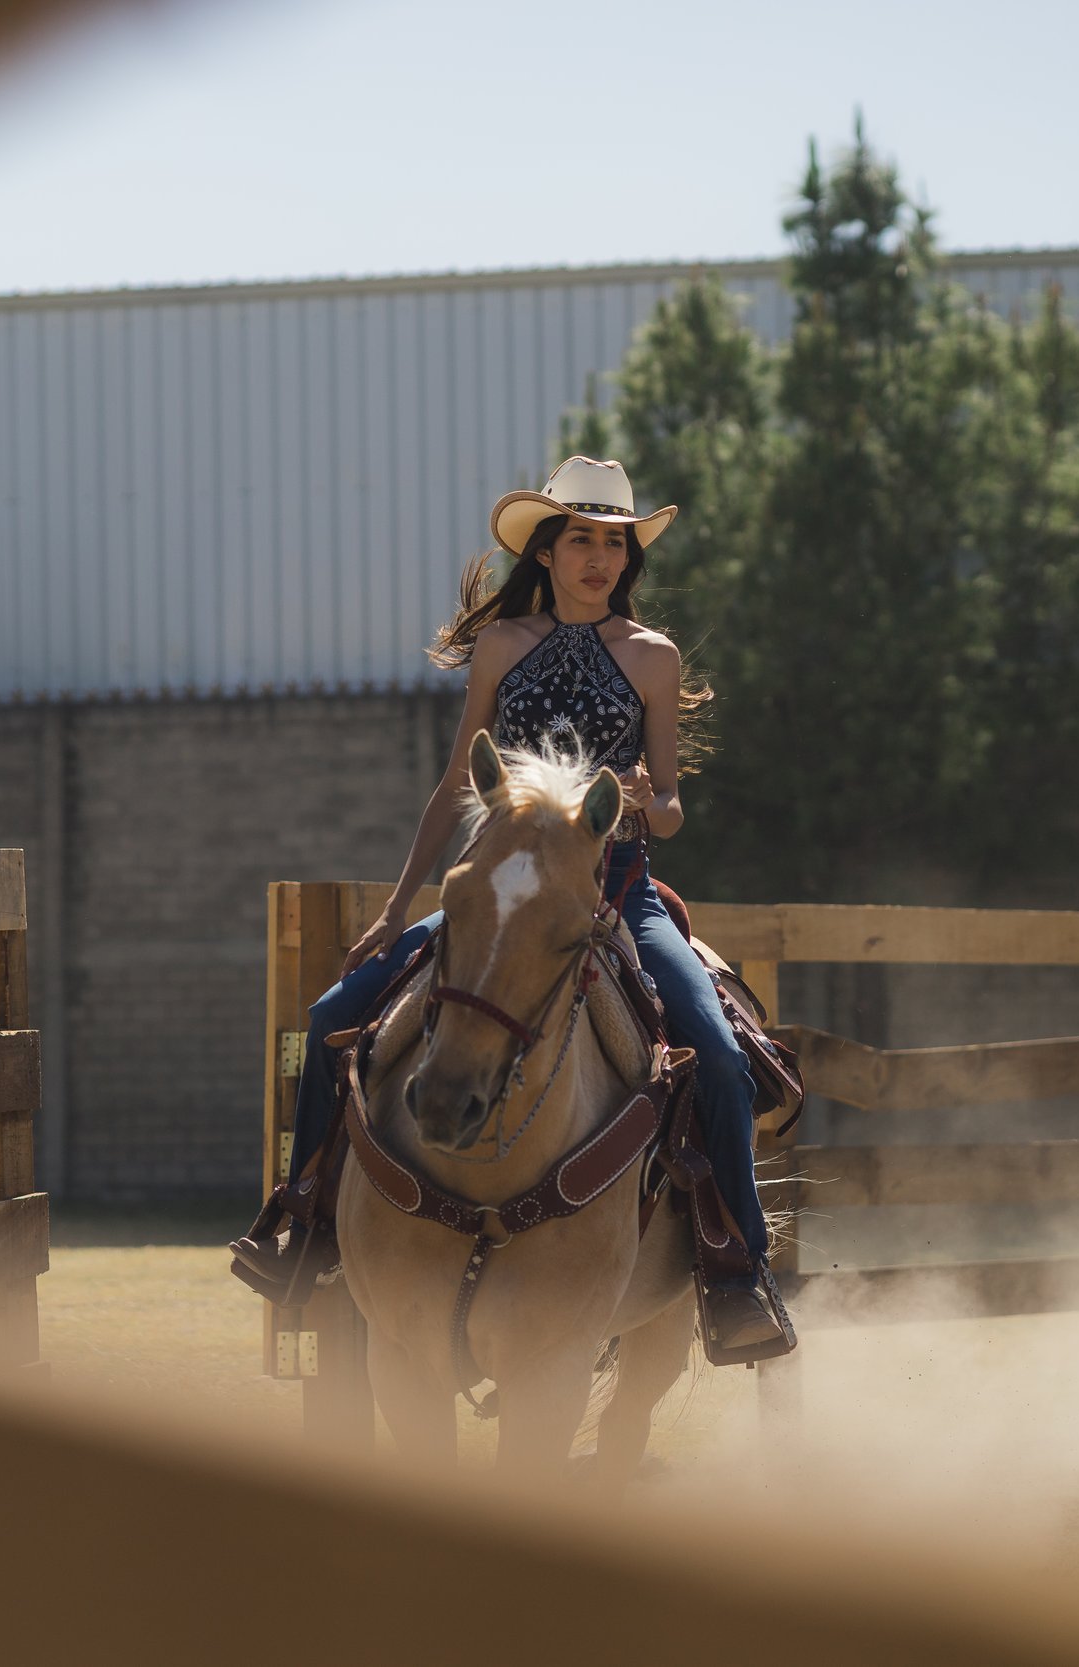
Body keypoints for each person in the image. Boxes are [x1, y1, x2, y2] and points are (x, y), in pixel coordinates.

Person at [230, 456, 792, 1360]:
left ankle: (738, 1272)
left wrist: (647, 800)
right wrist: (396, 909)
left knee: (721, 1060)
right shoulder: (501, 646)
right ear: (547, 550)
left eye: (616, 544)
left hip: (618, 893)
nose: (600, 559)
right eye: (583, 540)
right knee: (335, 1015)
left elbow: (673, 808)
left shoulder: (654, 656)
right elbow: (455, 786)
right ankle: (303, 1223)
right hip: (497, 893)